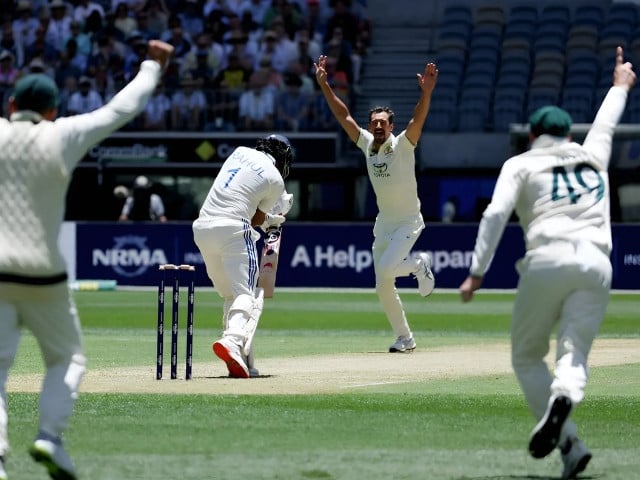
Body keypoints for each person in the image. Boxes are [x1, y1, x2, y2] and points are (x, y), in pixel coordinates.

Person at [459, 47, 636, 480]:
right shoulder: (592, 155)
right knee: (573, 354)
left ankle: (567, 433)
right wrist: (621, 83)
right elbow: (607, 121)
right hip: (597, 263)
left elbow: (495, 214)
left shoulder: (520, 163)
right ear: (568, 136)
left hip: (547, 258)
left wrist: (477, 270)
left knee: (526, 357)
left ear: (535, 135)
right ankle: (571, 439)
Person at [0, 39, 174, 480]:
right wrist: (152, 66)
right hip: (45, 273)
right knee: (68, 359)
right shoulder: (62, 134)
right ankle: (49, 437)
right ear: (53, 110)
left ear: (12, 104)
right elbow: (121, 108)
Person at [314, 54, 436, 353]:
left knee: (385, 267)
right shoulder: (367, 144)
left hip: (409, 221)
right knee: (382, 286)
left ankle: (419, 265)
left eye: (383, 122)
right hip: (385, 223)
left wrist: (427, 93)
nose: (378, 126)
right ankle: (405, 338)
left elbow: (417, 119)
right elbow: (344, 117)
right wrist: (325, 86)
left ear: (391, 126)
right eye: (375, 122)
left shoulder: (404, 143)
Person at [192, 134, 294, 378]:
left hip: (202, 228)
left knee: (231, 296)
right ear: (282, 157)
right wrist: (272, 221)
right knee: (246, 295)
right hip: (234, 230)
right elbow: (255, 219)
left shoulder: (237, 152)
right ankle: (232, 340)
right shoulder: (276, 179)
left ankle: (241, 360)